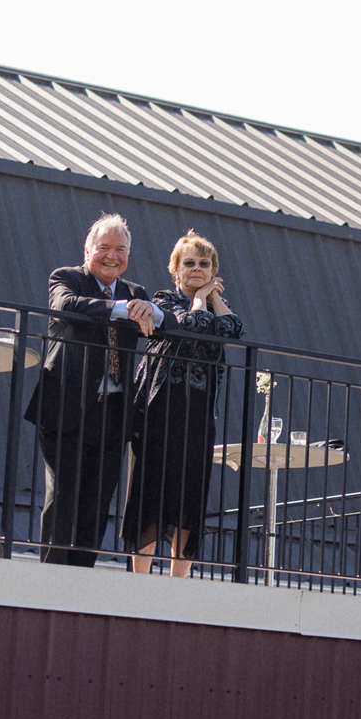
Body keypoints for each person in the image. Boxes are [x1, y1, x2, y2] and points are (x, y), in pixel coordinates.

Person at [23, 212, 159, 567]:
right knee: (64, 497)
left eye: (121, 249)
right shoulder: (67, 278)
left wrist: (151, 312)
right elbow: (64, 306)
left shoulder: (136, 294)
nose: (112, 255)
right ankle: (52, 579)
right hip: (66, 408)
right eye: (104, 247)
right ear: (88, 250)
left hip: (113, 415)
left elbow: (163, 324)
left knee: (97, 503)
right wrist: (119, 309)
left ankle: (81, 580)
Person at [123, 229, 242, 576]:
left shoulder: (214, 303)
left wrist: (212, 296)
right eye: (189, 263)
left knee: (191, 494)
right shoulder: (163, 300)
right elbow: (193, 323)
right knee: (149, 490)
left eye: (204, 264)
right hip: (159, 412)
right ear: (175, 269)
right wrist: (202, 297)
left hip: (197, 415)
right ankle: (140, 579)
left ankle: (177, 582)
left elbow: (234, 330)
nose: (197, 268)